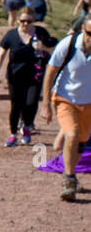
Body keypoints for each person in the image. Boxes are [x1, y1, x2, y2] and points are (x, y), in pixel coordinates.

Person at [41, 13, 91, 201]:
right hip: (65, 99)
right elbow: (50, 72)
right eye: (89, 32)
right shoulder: (68, 45)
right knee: (72, 133)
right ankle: (68, 179)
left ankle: (72, 173)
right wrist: (46, 103)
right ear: (83, 29)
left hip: (88, 102)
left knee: (81, 142)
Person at [0, 7, 53, 146]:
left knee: (31, 103)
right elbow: (1, 55)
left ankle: (27, 125)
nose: (25, 24)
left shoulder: (41, 33)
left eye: (29, 21)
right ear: (18, 20)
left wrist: (43, 48)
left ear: (33, 20)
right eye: (22, 21)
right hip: (15, 76)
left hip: (34, 75)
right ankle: (13, 134)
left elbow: (54, 50)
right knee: (16, 106)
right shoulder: (11, 35)